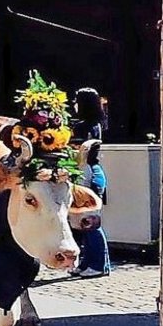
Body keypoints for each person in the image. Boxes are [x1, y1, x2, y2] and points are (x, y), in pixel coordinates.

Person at [69, 88, 111, 276]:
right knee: (84, 222)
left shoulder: (82, 127)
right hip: (94, 172)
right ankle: (87, 264)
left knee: (90, 222)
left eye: (76, 100)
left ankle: (98, 265)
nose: (74, 104)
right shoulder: (97, 124)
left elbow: (75, 151)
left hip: (86, 174)